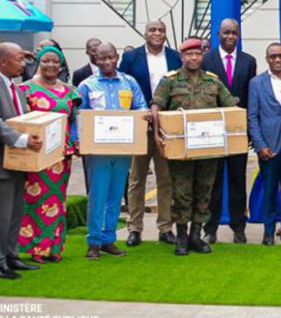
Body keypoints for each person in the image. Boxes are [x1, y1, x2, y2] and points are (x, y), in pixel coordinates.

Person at [150, 37, 238, 256]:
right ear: (182, 57)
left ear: (202, 56)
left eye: (197, 54)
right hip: (181, 150)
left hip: (208, 149)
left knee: (204, 191)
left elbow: (230, 106)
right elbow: (156, 107)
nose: (194, 58)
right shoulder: (170, 80)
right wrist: (156, 136)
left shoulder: (213, 81)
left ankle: (196, 236)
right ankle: (181, 236)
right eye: (189, 54)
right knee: (181, 193)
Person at [77, 42, 149, 259]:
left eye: (111, 57)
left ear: (117, 57)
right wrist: (78, 142)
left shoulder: (129, 82)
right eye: (102, 58)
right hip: (97, 153)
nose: (107, 62)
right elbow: (79, 116)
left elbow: (141, 106)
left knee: (116, 195)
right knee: (97, 195)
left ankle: (109, 239)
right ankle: (93, 241)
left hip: (123, 148)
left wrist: (144, 115)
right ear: (95, 59)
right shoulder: (87, 86)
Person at [0, 43, 43, 280]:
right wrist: (21, 139)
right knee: (1, 215)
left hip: (19, 160)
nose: (23, 63)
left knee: (16, 211)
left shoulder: (16, 87)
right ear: (4, 62)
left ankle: (12, 254)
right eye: (19, 59)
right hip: (1, 160)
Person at [119, 20, 181, 247]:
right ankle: (134, 228)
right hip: (140, 125)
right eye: (152, 30)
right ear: (145, 33)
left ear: (165, 34)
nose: (157, 33)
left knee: (166, 179)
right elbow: (123, 87)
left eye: (161, 30)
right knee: (137, 179)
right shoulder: (131, 58)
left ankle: (165, 228)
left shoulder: (175, 58)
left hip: (167, 126)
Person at [17, 44, 80, 263]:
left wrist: (76, 140)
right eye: (46, 61)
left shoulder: (70, 91)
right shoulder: (25, 89)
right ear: (38, 63)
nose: (51, 65)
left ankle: (54, 246)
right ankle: (36, 247)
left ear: (61, 64)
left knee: (57, 198)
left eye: (55, 61)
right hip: (36, 152)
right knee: (35, 198)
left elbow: (75, 120)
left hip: (61, 154)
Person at [201, 19, 257, 245]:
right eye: (226, 33)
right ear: (218, 34)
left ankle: (238, 227)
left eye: (234, 33)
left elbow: (251, 97)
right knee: (212, 182)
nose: (231, 37)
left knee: (237, 180)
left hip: (238, 131)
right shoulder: (206, 60)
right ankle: (210, 227)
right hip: (213, 130)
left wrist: (250, 131)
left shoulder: (248, 61)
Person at [248, 43, 281, 246]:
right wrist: (260, 145)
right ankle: (268, 231)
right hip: (268, 144)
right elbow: (252, 117)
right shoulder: (256, 83)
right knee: (269, 189)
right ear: (267, 58)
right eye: (273, 56)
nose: (278, 60)